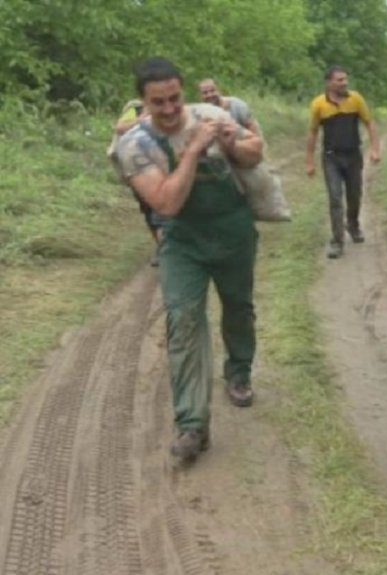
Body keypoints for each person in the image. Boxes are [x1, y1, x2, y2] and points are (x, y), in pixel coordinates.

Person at [116, 57, 264, 461]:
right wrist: (196, 149)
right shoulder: (134, 146)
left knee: (238, 308)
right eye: (157, 102)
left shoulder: (211, 113)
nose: (168, 110)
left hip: (233, 233)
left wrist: (232, 142)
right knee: (182, 321)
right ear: (143, 102)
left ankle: (238, 374)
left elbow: (255, 153)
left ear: (182, 92)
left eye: (174, 99)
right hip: (182, 241)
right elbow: (166, 200)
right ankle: (192, 425)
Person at [306, 65, 381, 258]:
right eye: (339, 80)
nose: (344, 83)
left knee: (354, 195)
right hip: (331, 157)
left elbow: (369, 123)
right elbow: (313, 132)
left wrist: (375, 149)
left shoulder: (355, 99)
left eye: (345, 79)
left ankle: (353, 225)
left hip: (353, 155)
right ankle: (337, 241)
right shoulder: (318, 105)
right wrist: (309, 161)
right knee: (335, 198)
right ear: (329, 82)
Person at [108, 99, 166, 265]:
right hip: (137, 168)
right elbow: (119, 127)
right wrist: (143, 119)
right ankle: (161, 246)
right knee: (148, 209)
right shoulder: (135, 108)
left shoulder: (168, 107)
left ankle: (167, 248)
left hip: (162, 166)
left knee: (162, 208)